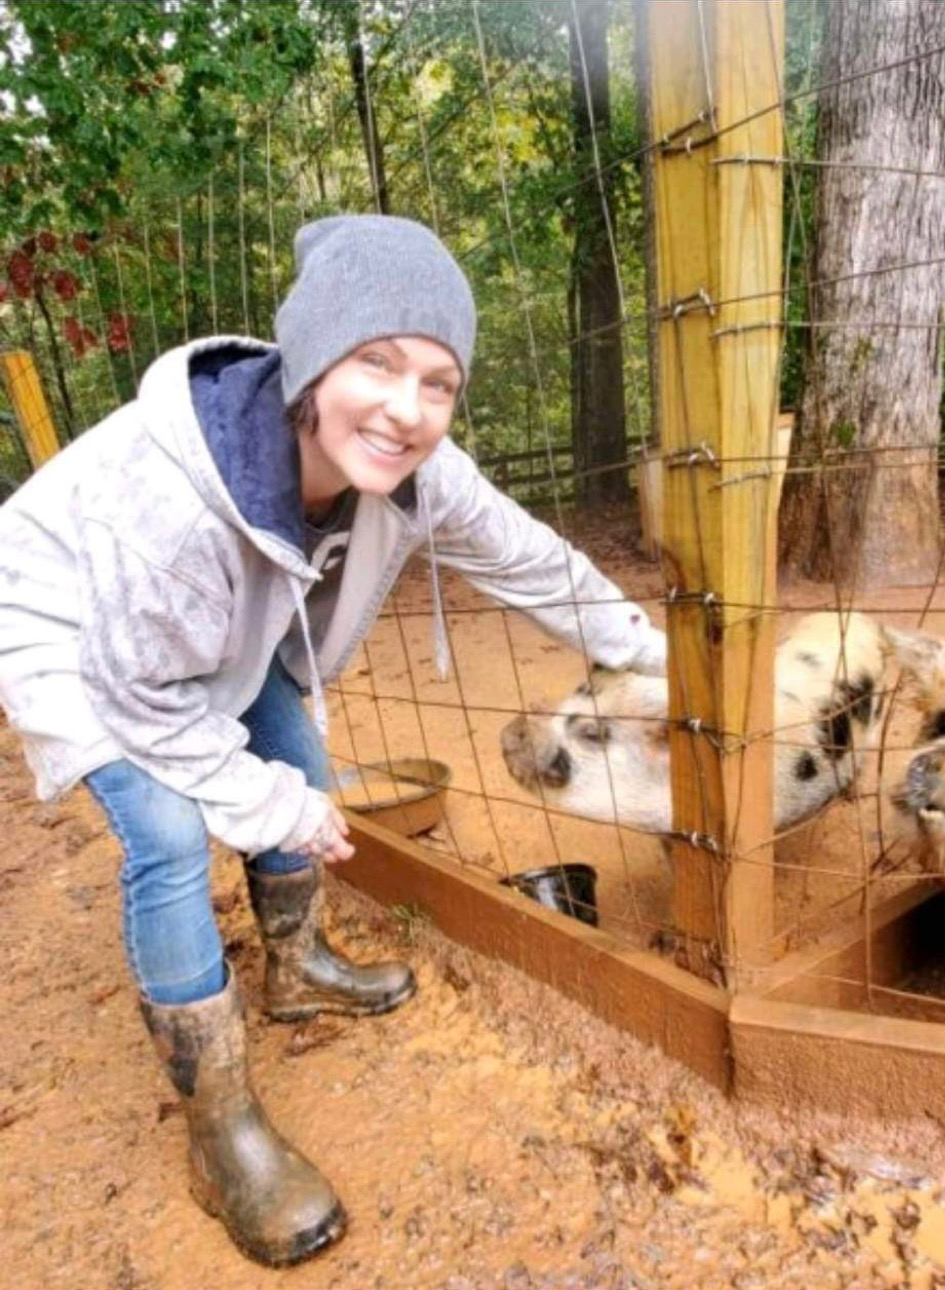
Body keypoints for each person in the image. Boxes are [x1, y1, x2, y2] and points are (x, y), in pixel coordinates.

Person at [0, 215, 667, 1267]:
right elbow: (145, 697)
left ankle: (298, 964)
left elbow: (529, 560)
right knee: (169, 835)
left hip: (204, 626)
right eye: (377, 362)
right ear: (313, 361)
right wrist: (273, 810)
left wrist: (654, 657)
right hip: (80, 635)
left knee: (299, 762)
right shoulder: (173, 502)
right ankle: (221, 1128)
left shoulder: (416, 467)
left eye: (438, 382)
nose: (407, 408)